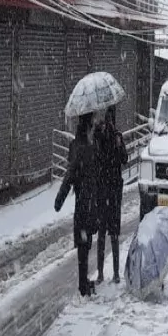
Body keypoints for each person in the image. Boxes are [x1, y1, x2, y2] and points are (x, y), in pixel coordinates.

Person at [55, 112, 102, 297]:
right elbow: (72, 173)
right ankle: (83, 284)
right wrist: (60, 198)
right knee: (85, 243)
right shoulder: (86, 148)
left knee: (84, 243)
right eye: (92, 123)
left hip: (82, 202)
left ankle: (84, 281)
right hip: (87, 203)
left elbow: (70, 172)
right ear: (88, 125)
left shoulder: (76, 145)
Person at [94, 106, 128, 284]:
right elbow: (123, 159)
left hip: (109, 191)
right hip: (108, 191)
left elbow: (124, 159)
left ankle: (110, 273)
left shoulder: (115, 137)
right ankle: (107, 273)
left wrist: (118, 143)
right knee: (108, 234)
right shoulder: (101, 136)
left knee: (108, 234)